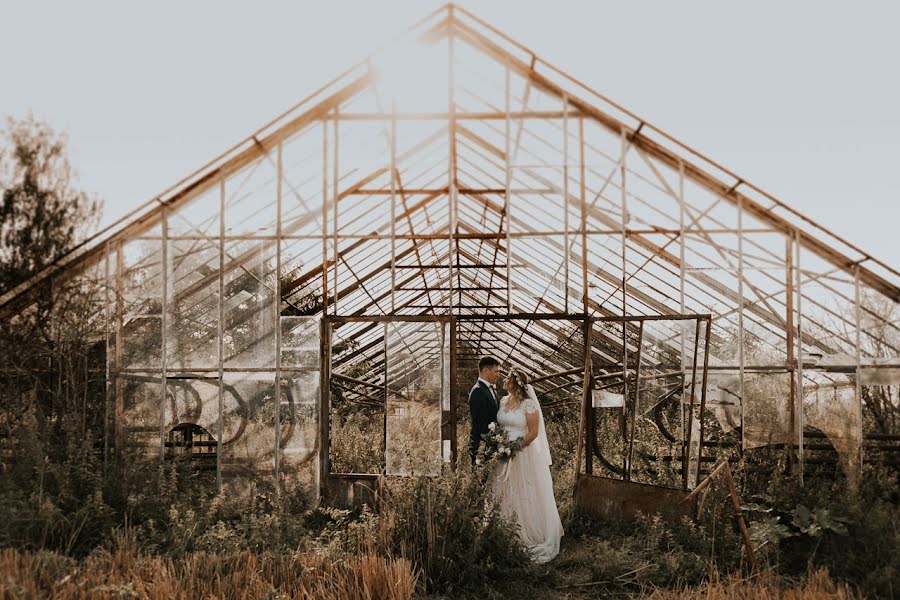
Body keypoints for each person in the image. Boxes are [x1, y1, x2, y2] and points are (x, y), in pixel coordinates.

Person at [490, 368, 563, 563]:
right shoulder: (503, 401)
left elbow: (533, 433)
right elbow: (499, 425)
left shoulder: (529, 405)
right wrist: (497, 443)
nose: (504, 379)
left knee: (523, 490)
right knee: (502, 490)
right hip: (502, 452)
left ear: (515, 383)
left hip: (521, 454)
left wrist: (514, 448)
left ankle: (526, 531)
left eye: (508, 378)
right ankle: (500, 529)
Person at [469, 355, 500, 464]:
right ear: (486, 370)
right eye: (496, 371)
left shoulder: (491, 389)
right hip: (482, 448)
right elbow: (480, 424)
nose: (498, 375)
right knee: (481, 480)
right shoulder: (478, 391)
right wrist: (484, 450)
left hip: (492, 445)